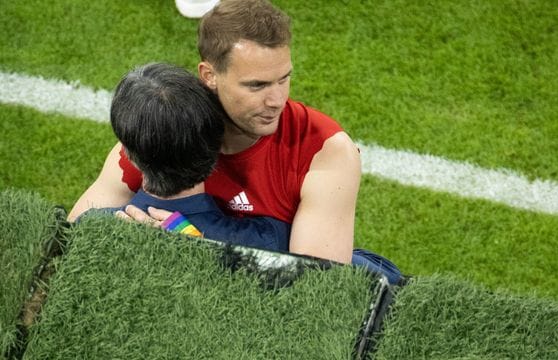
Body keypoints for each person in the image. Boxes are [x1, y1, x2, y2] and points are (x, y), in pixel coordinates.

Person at [69, 0, 361, 265]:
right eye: (256, 85)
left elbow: (314, 290)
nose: (277, 100)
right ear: (209, 75)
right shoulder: (170, 126)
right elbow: (69, 240)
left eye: (284, 79)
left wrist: (197, 253)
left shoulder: (324, 152)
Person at [82, 62, 290, 252]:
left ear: (127, 154)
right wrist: (199, 247)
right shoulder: (266, 240)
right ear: (217, 145)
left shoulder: (90, 226)